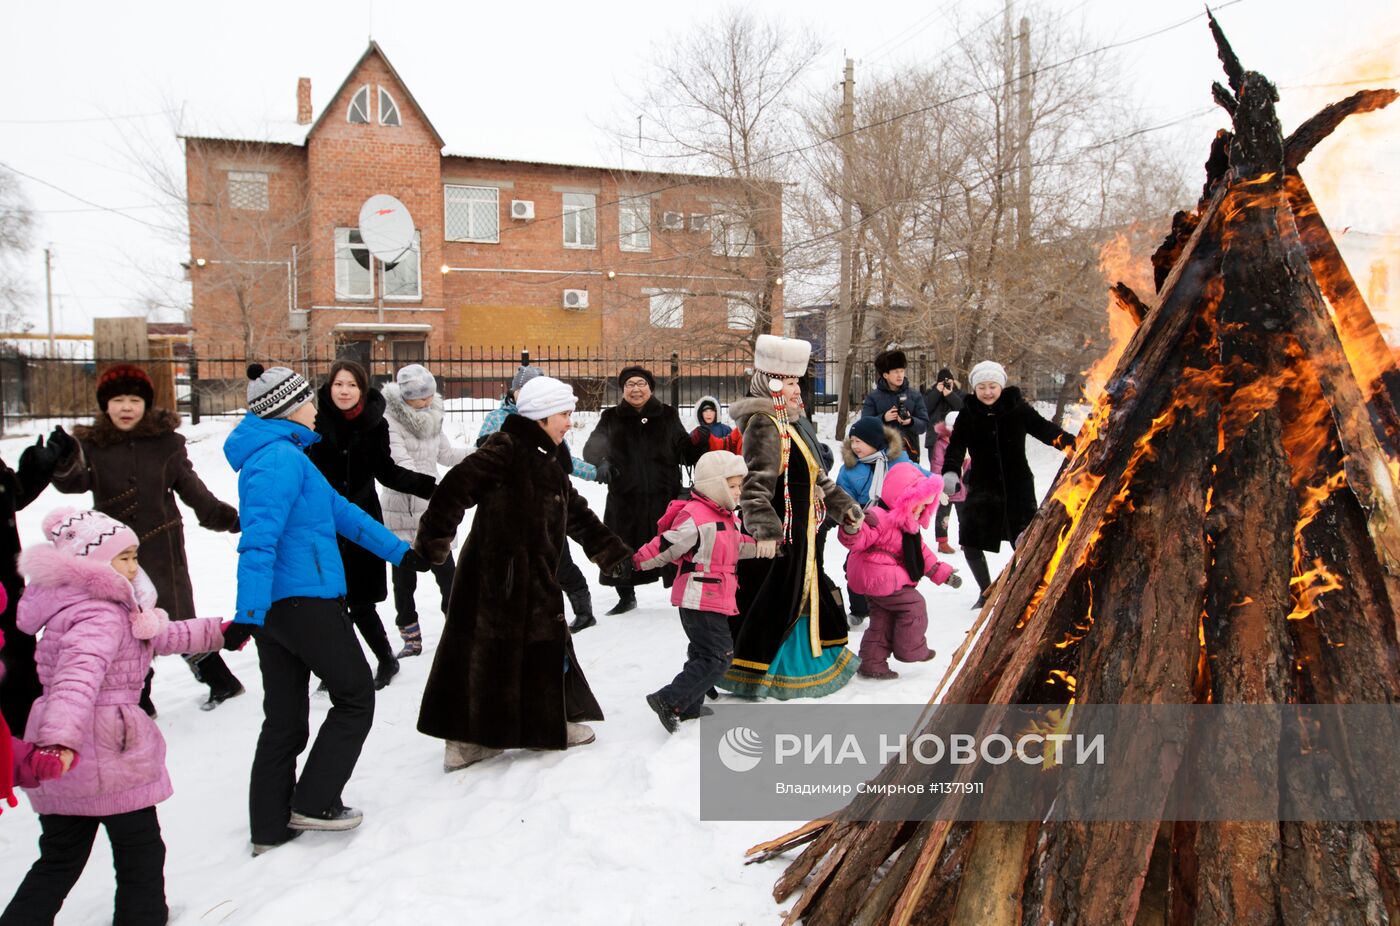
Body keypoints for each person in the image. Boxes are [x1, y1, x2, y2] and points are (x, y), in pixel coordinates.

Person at [225, 364, 430, 855]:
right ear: (289, 408)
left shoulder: (289, 457)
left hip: (286, 606)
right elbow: (258, 541)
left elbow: (344, 514)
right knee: (356, 694)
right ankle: (314, 802)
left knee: (285, 718)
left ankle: (269, 827)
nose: (317, 408)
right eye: (309, 401)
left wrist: (402, 553)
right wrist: (247, 613)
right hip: (302, 602)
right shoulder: (277, 461)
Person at [1, 507, 229, 924]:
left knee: (60, 857)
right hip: (103, 748)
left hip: (73, 753)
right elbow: (76, 679)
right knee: (140, 848)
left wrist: (219, 632)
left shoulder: (96, 605)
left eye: (135, 555)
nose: (132, 566)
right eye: (122, 558)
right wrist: (59, 743)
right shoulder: (99, 613)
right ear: (91, 565)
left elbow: (157, 635)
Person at [414, 376, 632, 771]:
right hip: (496, 578)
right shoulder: (506, 448)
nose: (570, 421)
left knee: (535, 652)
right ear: (543, 416)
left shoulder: (546, 456)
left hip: (533, 575)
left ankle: (533, 729)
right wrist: (433, 543)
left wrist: (610, 551)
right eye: (565, 414)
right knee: (484, 655)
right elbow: (452, 490)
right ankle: (467, 743)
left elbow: (576, 510)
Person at [51, 363, 244, 714]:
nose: (126, 407)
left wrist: (228, 519)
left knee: (177, 618)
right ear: (105, 405)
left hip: (161, 549)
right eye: (118, 400)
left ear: (147, 404)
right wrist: (64, 459)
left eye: (134, 400)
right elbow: (74, 483)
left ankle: (222, 682)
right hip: (112, 556)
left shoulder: (166, 444)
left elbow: (193, 490)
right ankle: (140, 700)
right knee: (125, 624)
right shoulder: (93, 446)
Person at [724, 335, 864, 699]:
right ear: (769, 384)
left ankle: (804, 661)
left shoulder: (791, 424)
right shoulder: (764, 424)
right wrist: (766, 531)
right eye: (788, 382)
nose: (796, 389)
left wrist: (844, 506)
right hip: (783, 537)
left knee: (801, 598)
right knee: (777, 603)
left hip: (804, 533)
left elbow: (816, 478)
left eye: (796, 382)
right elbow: (756, 485)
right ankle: (771, 671)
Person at [308, 359, 436, 690]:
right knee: (329, 604)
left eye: (351, 384)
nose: (345, 390)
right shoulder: (314, 424)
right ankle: (341, 669)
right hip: (322, 526)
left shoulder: (374, 425)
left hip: (362, 521)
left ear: (362, 389)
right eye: (339, 384)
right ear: (329, 387)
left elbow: (388, 471)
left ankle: (386, 659)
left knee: (361, 602)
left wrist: (430, 487)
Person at [634, 450, 757, 733]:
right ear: (715, 484)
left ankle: (689, 706)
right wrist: (633, 562)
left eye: (740, 485)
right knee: (719, 657)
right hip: (698, 598)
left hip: (715, 596)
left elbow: (737, 545)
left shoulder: (727, 517)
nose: (739, 492)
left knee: (704, 653)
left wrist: (766, 546)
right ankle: (669, 699)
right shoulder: (696, 515)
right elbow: (667, 545)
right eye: (733, 485)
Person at [477, 363, 601, 633]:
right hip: (512, 507)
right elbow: (482, 456)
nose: (528, 393)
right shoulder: (497, 418)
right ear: (513, 391)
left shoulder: (551, 419)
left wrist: (595, 473)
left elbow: (568, 461)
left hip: (550, 503)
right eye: (522, 389)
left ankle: (583, 609)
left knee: (559, 561)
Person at [940, 361, 1075, 609]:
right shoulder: (968, 414)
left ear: (1000, 386)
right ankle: (986, 591)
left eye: (992, 386)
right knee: (970, 541)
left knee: (1024, 541)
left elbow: (1045, 430)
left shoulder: (1018, 409)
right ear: (975, 388)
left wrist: (1074, 444)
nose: (987, 392)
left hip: (1018, 487)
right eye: (982, 387)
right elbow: (956, 447)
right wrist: (950, 471)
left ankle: (1025, 590)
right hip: (982, 488)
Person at [582, 366, 698, 616]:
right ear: (623, 390)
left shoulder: (667, 415)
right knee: (622, 546)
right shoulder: (611, 417)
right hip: (626, 498)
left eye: (641, 383)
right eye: (630, 384)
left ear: (651, 388)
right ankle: (626, 596)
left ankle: (684, 595)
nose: (636, 389)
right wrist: (602, 460)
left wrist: (699, 443)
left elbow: (684, 450)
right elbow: (591, 448)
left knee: (673, 545)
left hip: (663, 496)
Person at [838, 465, 962, 679]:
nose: (921, 510)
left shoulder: (909, 526)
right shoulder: (879, 517)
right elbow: (860, 537)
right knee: (914, 604)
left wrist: (945, 574)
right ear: (903, 499)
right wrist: (852, 528)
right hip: (877, 576)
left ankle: (871, 663)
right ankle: (911, 648)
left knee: (882, 619)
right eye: (918, 505)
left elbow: (923, 556)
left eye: (925, 507)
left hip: (873, 580)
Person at [380, 364, 467, 660]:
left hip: (433, 511)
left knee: (449, 577)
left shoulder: (433, 416)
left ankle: (458, 629)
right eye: (420, 398)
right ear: (405, 398)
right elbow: (402, 466)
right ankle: (411, 637)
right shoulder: (389, 422)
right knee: (404, 582)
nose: (427, 402)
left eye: (430, 396)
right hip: (402, 511)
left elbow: (446, 455)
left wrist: (479, 450)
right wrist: (440, 493)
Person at [0, 431, 69, 735]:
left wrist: (38, 467)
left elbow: (9, 498)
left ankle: (22, 742)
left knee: (17, 667)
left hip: (6, 588)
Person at [835, 416, 927, 627]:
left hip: (898, 524)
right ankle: (859, 610)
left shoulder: (898, 460)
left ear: (875, 441)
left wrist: (935, 487)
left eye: (860, 441)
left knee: (904, 565)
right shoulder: (849, 469)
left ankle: (900, 605)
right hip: (868, 525)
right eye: (853, 441)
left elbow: (919, 475)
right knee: (853, 565)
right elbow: (841, 495)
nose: (855, 446)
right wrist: (845, 515)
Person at [861, 349, 929, 464]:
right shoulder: (873, 397)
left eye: (902, 371)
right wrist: (883, 418)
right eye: (896, 372)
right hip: (882, 455)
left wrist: (910, 421)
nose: (900, 375)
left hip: (909, 454)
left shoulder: (914, 395)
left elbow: (924, 425)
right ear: (885, 375)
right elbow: (864, 426)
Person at [928, 411, 967, 555]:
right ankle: (942, 542)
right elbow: (937, 465)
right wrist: (941, 486)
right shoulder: (941, 444)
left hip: (963, 487)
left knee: (966, 516)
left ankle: (966, 541)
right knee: (943, 515)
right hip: (947, 487)